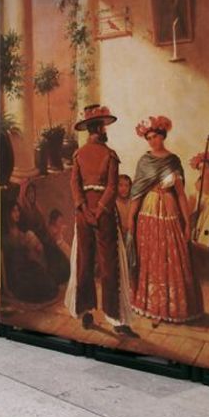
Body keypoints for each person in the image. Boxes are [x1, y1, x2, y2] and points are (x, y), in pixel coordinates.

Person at [64, 104, 136, 336]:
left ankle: (86, 312)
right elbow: (112, 187)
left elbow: (75, 186)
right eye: (103, 126)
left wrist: (84, 209)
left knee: (85, 261)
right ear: (98, 128)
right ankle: (115, 318)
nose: (105, 130)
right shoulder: (110, 154)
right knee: (108, 265)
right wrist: (99, 209)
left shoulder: (79, 155)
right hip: (102, 215)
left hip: (85, 214)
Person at [127, 116, 203, 326]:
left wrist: (187, 224)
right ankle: (151, 306)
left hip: (170, 212)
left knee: (170, 258)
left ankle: (172, 308)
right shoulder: (144, 161)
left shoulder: (173, 160)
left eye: (155, 136)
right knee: (150, 258)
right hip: (147, 215)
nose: (152, 141)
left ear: (163, 136)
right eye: (148, 138)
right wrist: (131, 220)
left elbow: (180, 194)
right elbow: (136, 193)